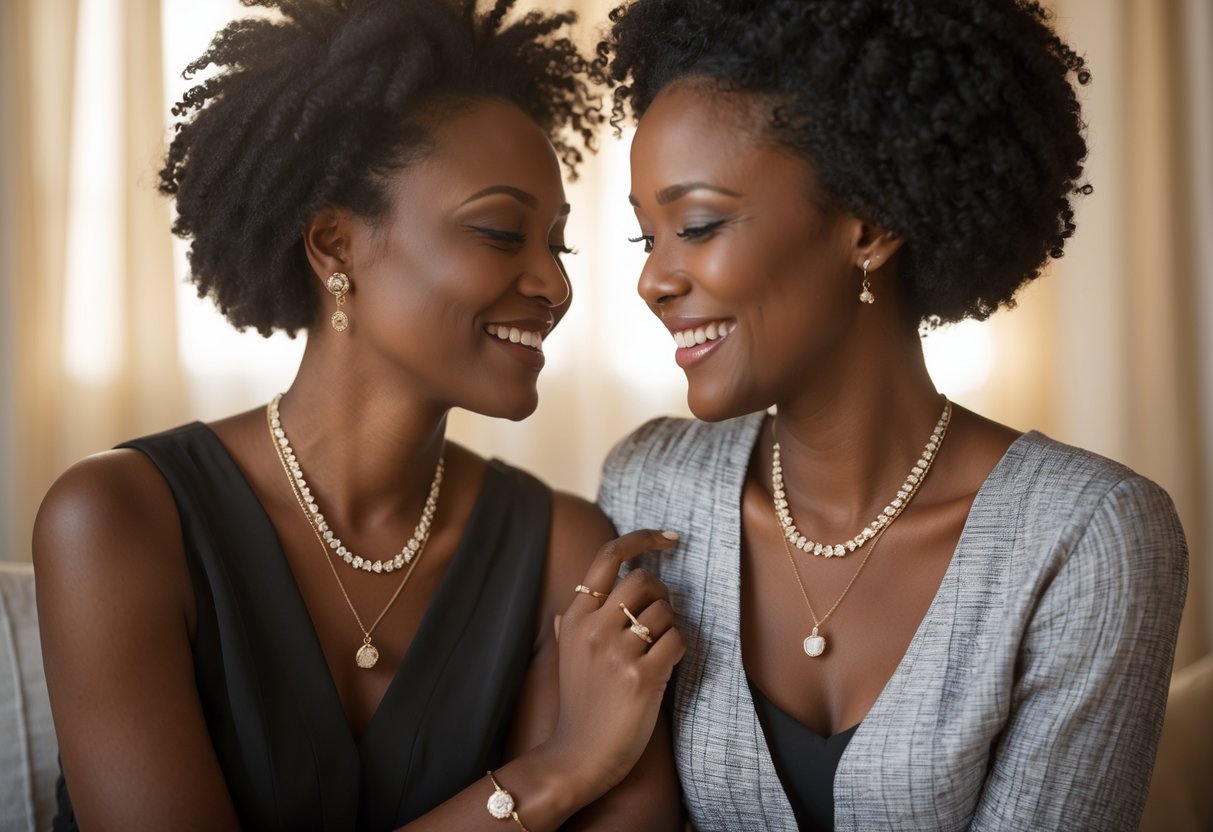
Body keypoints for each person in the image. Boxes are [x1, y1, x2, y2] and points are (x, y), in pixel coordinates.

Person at [32, 1, 686, 830]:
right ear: (335, 246)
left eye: (555, 245)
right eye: (497, 231)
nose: (554, 287)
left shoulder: (562, 551)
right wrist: (557, 771)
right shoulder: (117, 522)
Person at [594, 1, 1190, 829]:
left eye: (695, 225)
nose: (653, 280)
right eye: (644, 238)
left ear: (868, 226)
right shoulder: (649, 490)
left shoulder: (1085, 535)